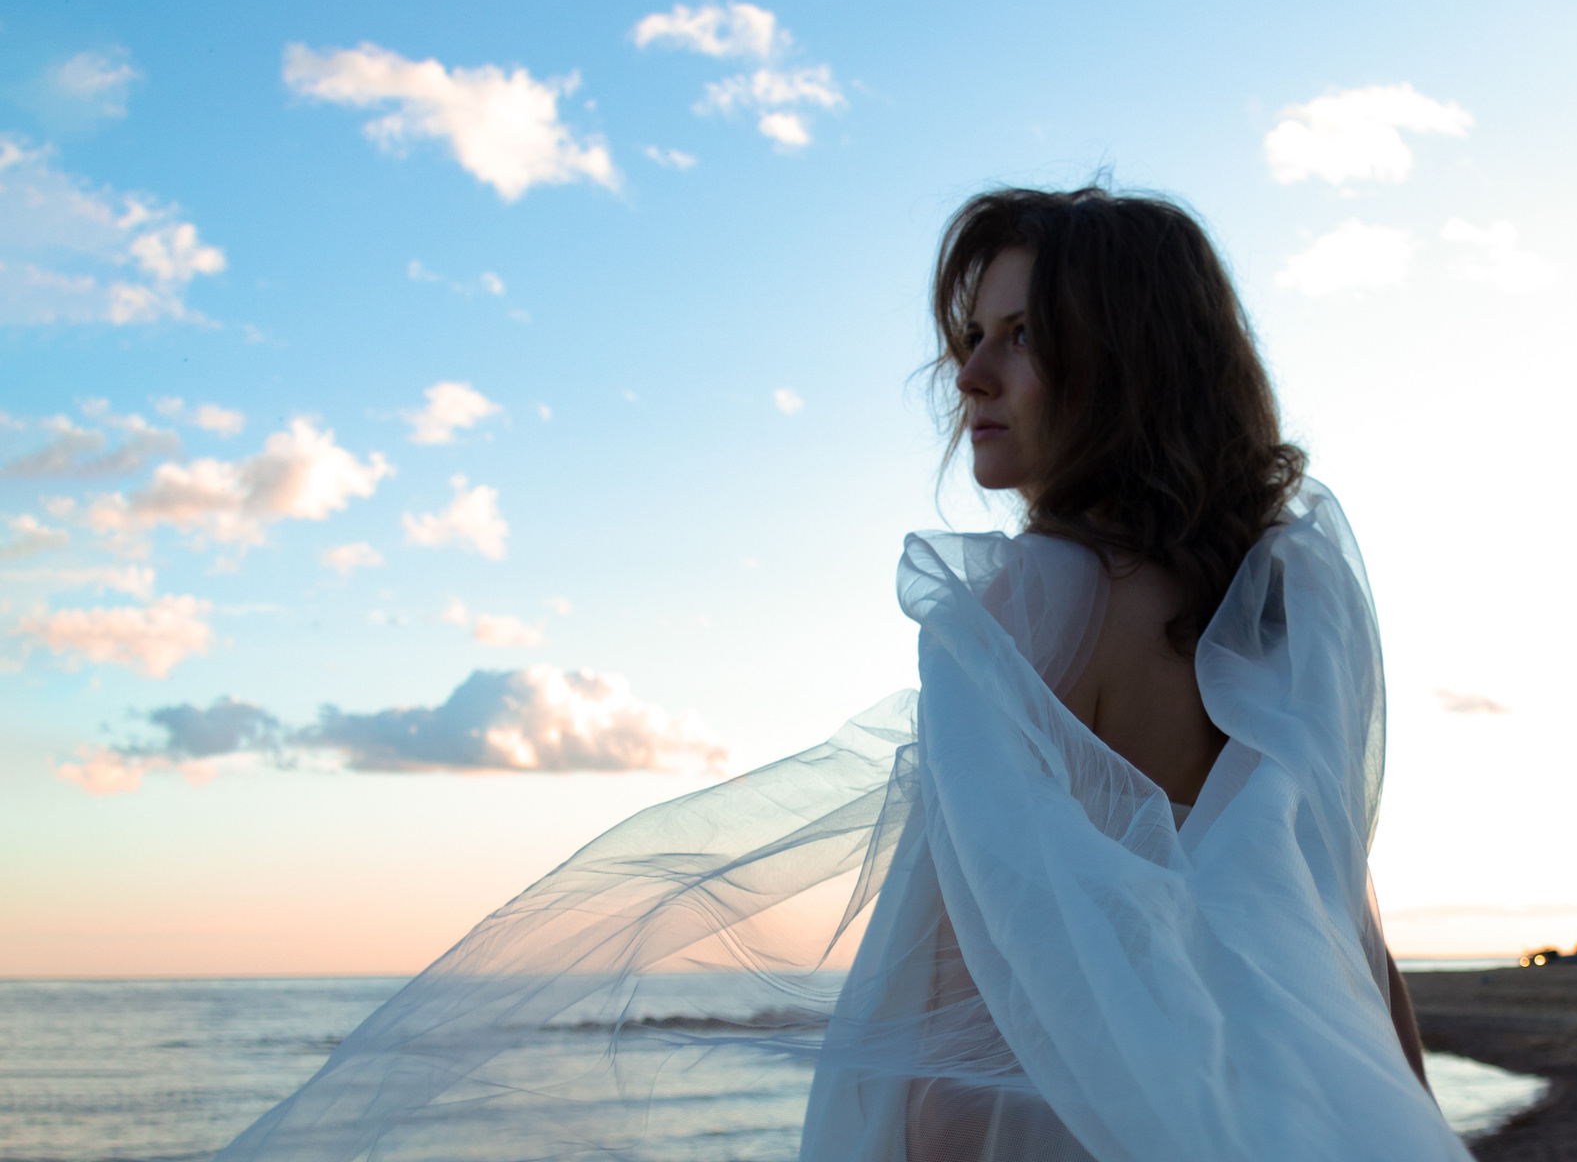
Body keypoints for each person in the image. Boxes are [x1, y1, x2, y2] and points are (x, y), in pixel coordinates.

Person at [218, 187, 1469, 1162]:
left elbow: (958, 965)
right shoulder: (1291, 599)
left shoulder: (1030, 604)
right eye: (971, 336)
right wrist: (1409, 1111)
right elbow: (1346, 917)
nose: (971, 375)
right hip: (1297, 1105)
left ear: (1131, 360)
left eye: (1024, 338)